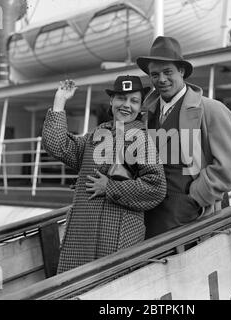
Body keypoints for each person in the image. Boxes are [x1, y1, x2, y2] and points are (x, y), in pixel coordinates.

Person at [42, 77, 167, 274]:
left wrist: (110, 187)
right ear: (111, 101)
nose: (126, 105)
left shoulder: (141, 138)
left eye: (133, 101)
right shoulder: (97, 134)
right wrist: (60, 101)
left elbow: (156, 187)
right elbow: (58, 146)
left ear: (140, 106)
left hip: (117, 238)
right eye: (121, 98)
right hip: (82, 236)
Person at [136, 36, 231, 239]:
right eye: (155, 74)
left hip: (190, 214)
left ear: (182, 71)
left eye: (167, 72)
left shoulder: (211, 109)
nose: (161, 79)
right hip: (149, 214)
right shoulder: (145, 115)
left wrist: (196, 198)